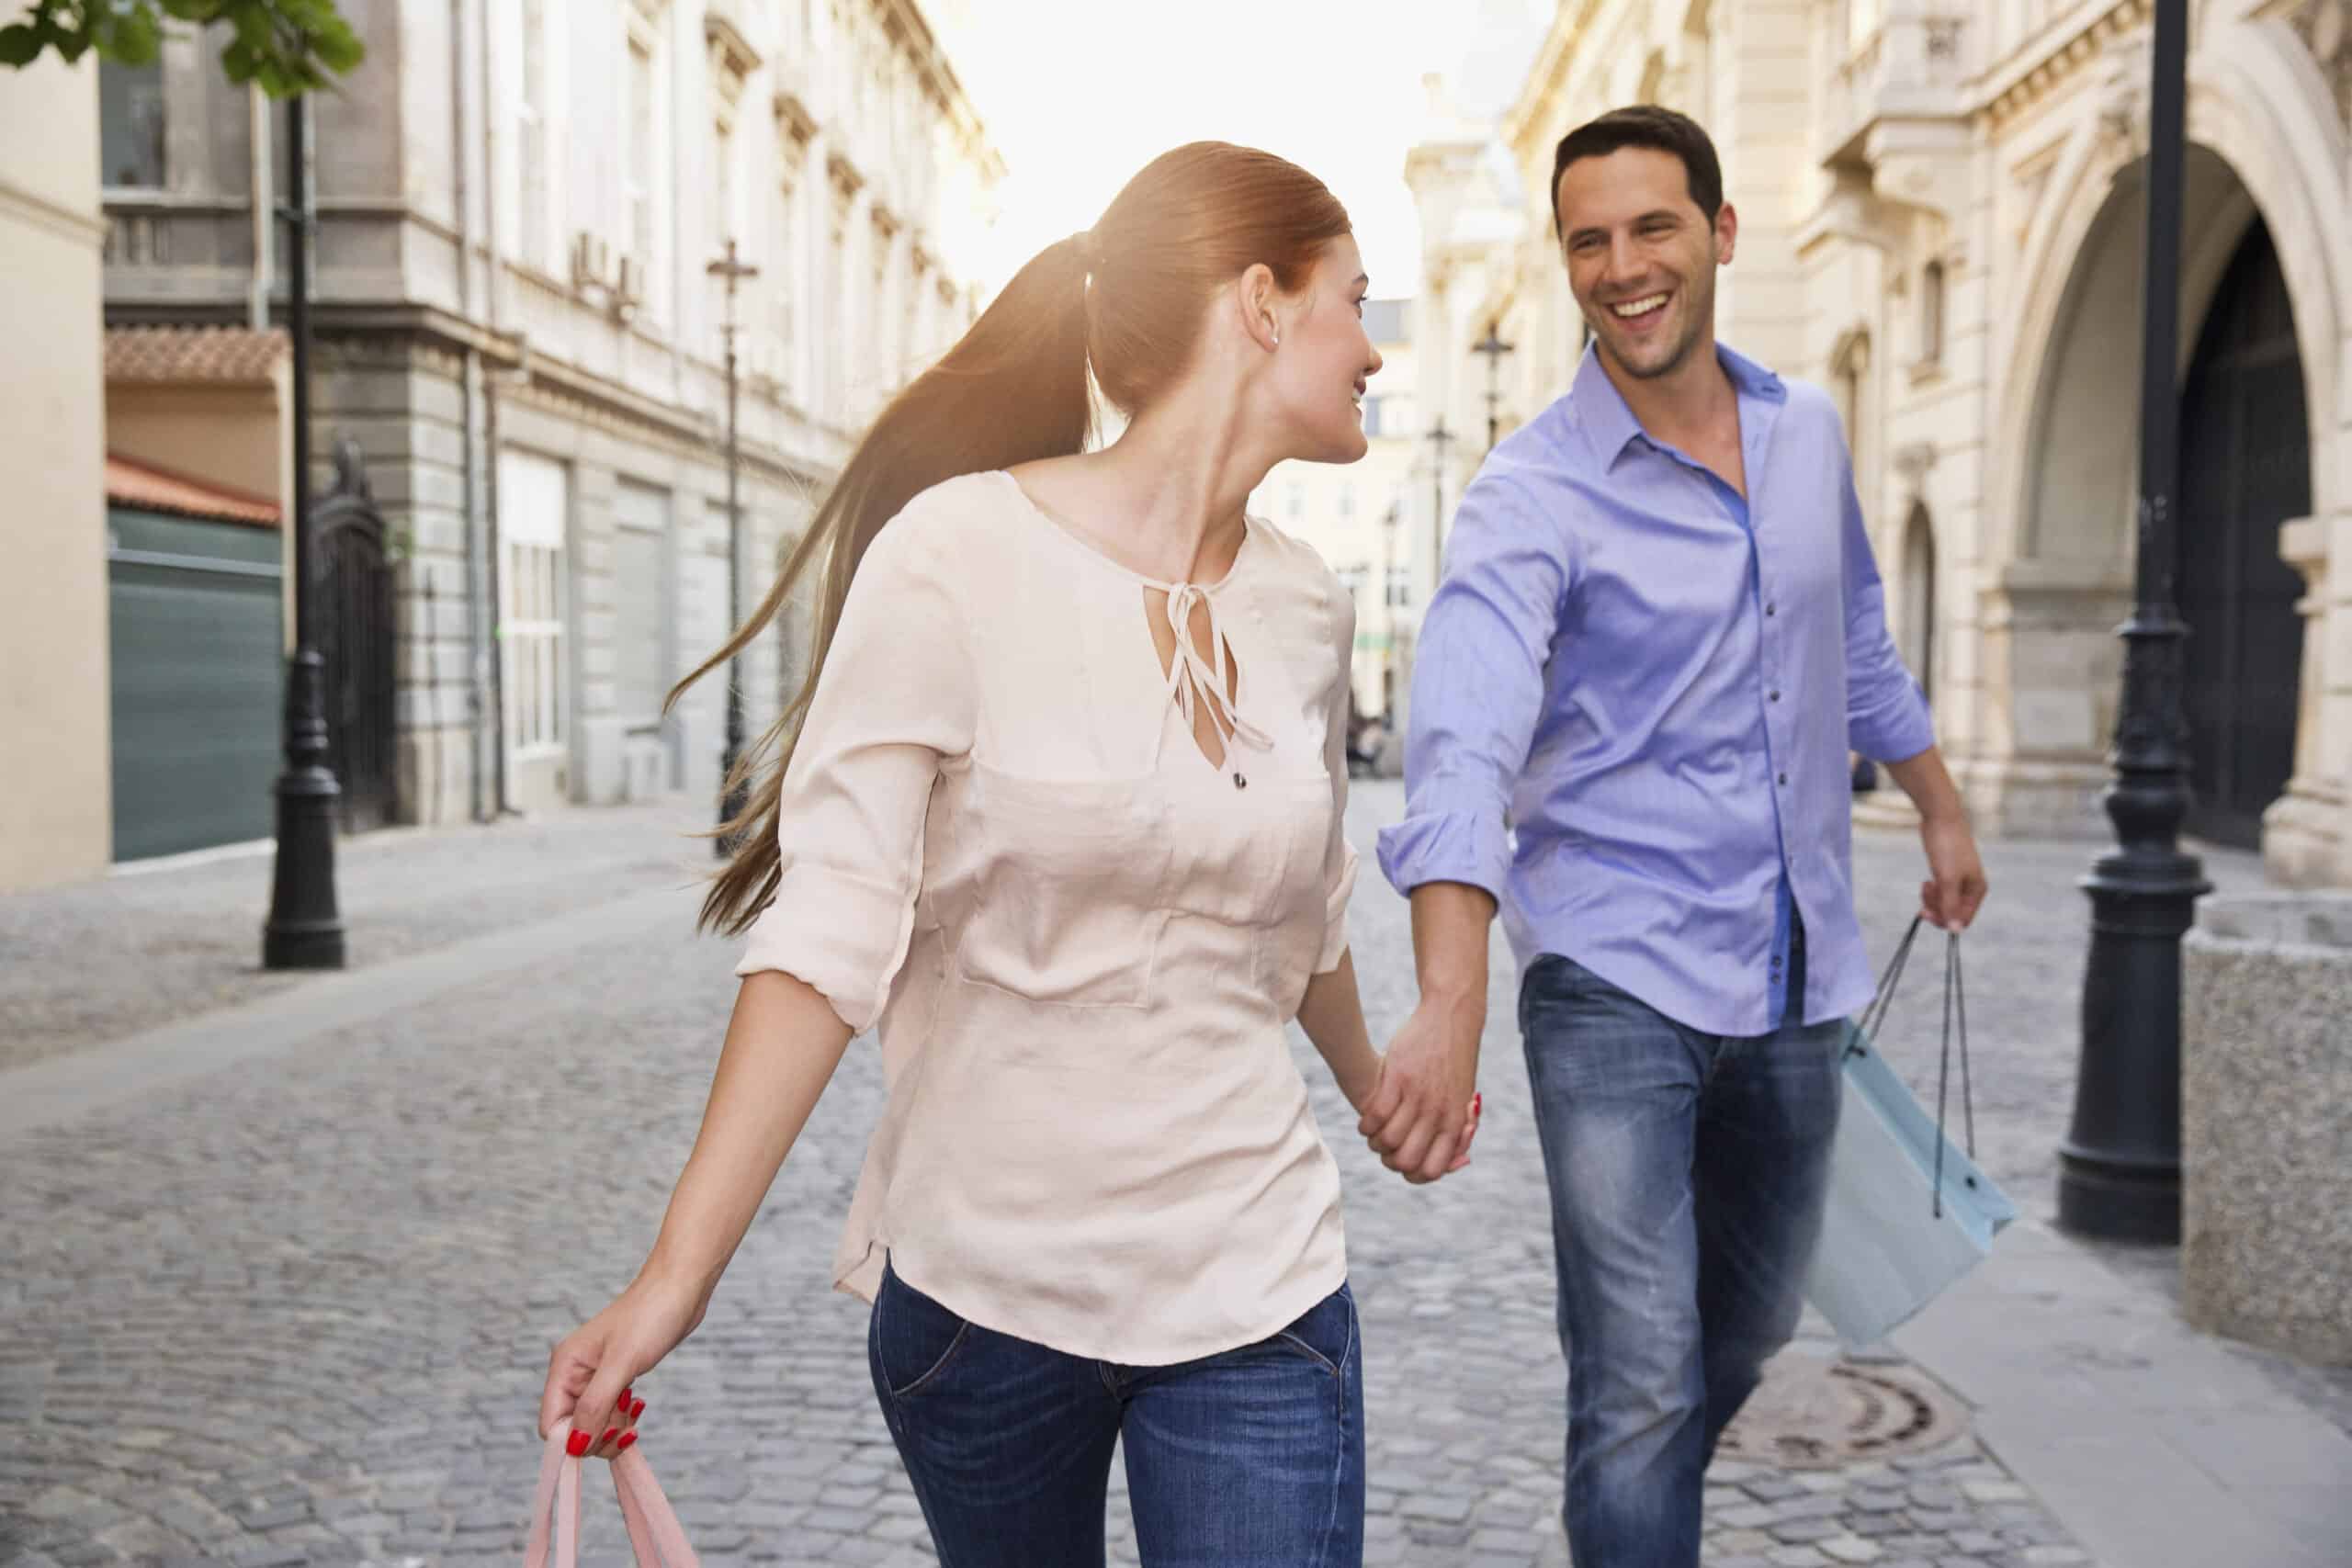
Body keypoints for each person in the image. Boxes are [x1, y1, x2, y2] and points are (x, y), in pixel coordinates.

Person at [534, 141, 1476, 1568]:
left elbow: (1304, 910)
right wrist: (674, 1280)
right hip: (987, 1305)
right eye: (1353, 298)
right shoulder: (955, 556)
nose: (1373, 349)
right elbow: (828, 933)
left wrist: (1374, 1090)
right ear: (1264, 301)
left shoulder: (1304, 602)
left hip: (1255, 1288)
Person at [1359, 107, 1988, 1568]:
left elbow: (1861, 646)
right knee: (1640, 1378)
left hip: (1795, 971)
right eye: (1589, 240)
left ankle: (1627, 1495)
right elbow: (1461, 742)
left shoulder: (1805, 429)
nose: (1622, 267)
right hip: (1611, 978)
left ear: (1719, 232)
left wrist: (1942, 809)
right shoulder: (1530, 495)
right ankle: (1631, 1502)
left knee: (1751, 1325)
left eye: (1652, 229)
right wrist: (1452, 998)